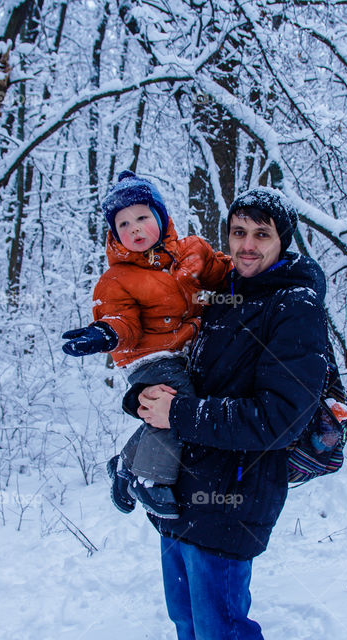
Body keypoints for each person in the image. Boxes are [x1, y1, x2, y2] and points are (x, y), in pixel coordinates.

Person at [128, 186, 329, 639]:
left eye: (262, 234)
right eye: (238, 232)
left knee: (221, 631)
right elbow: (179, 369)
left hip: (233, 500)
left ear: (283, 242)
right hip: (180, 496)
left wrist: (177, 413)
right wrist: (139, 398)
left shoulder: (294, 306)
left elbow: (279, 418)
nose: (247, 245)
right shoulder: (218, 295)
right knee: (188, 624)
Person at [61, 170, 230, 519]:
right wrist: (104, 333)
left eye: (141, 217)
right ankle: (150, 480)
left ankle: (124, 465)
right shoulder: (118, 278)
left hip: (186, 350)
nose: (134, 228)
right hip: (146, 357)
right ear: (114, 233)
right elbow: (122, 320)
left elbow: (224, 273)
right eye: (123, 224)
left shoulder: (194, 252)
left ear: (161, 217)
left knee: (174, 408)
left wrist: (256, 272)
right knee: (177, 405)